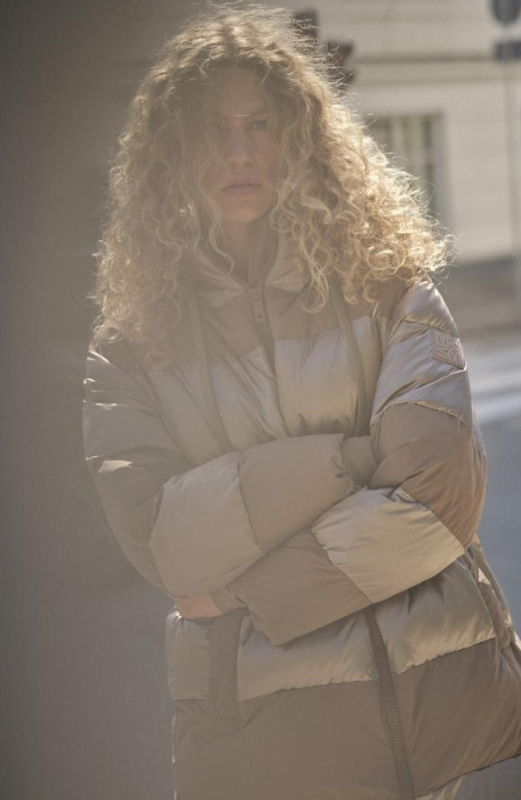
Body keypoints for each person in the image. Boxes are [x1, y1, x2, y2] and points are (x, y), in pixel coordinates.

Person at [80, 7, 521, 798]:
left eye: (260, 124)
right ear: (170, 152)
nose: (240, 151)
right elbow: (165, 546)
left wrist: (245, 592)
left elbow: (435, 502)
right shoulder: (130, 345)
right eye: (212, 130)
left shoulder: (389, 287)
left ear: (301, 139)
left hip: (435, 710)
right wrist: (352, 459)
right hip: (272, 734)